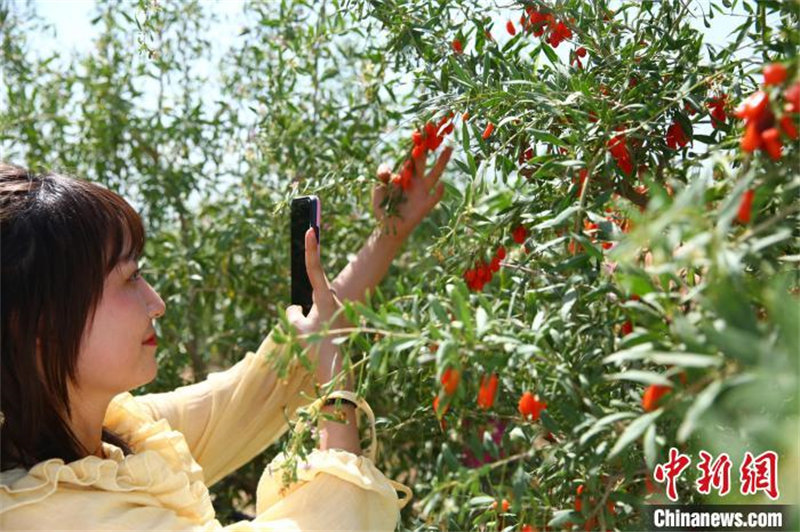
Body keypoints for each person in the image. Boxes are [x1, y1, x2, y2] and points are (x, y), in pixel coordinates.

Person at [0, 148, 452, 531]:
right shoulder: (48, 514)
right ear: (39, 327)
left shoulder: (114, 432)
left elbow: (261, 384)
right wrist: (336, 390)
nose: (156, 303)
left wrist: (390, 233)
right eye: (129, 278)